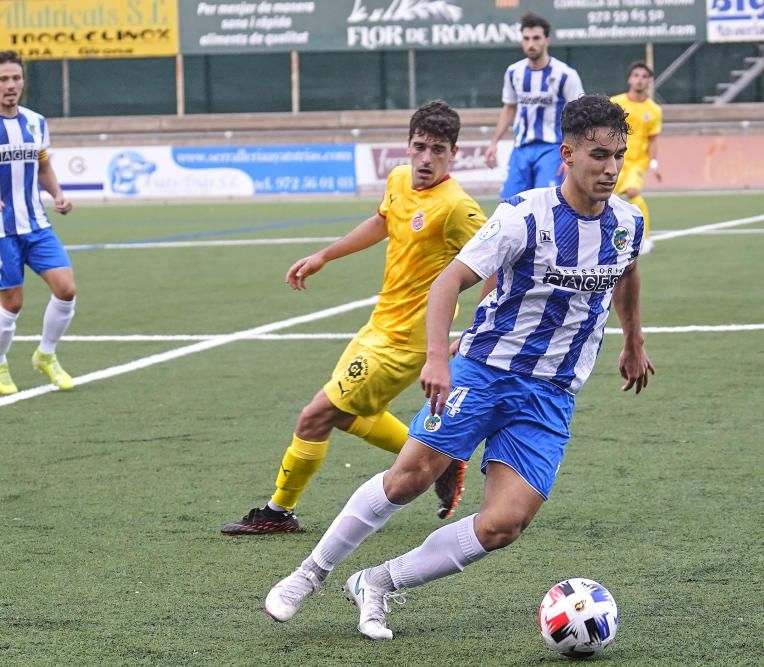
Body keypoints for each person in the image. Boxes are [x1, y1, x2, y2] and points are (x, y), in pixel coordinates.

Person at [263, 94, 655, 641]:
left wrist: (633, 341)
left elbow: (627, 273)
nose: (610, 168)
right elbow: (449, 282)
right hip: (484, 370)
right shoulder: (524, 215)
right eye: (597, 155)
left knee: (504, 525)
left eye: (618, 155)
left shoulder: (628, 222)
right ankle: (309, 573)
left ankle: (377, 582)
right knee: (409, 479)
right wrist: (439, 359)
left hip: (552, 393)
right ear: (567, 154)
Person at [222, 100, 490, 534]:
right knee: (345, 415)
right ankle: (440, 459)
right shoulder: (400, 179)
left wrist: (479, 327)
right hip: (378, 326)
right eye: (420, 146)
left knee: (315, 415)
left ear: (454, 153)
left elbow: (500, 262)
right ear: (407, 145)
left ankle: (277, 513)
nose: (426, 158)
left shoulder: (457, 207)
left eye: (437, 150)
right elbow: (382, 221)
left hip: (407, 341)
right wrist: (325, 255)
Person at [0, 50, 75, 396]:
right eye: (3, 79)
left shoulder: (35, 122)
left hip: (36, 223)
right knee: (12, 304)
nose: (10, 85)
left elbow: (42, 165)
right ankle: (0, 363)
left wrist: (58, 193)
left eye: (16, 78)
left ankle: (46, 354)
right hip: (2, 230)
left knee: (66, 288)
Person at [484, 11, 584, 200]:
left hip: (552, 149)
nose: (531, 43)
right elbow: (509, 108)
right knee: (509, 205)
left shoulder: (566, 75)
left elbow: (580, 115)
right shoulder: (513, 72)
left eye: (536, 38)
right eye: (526, 38)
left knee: (547, 203)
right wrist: (494, 142)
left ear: (547, 40)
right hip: (520, 149)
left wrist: (574, 152)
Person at [610, 61, 662, 256]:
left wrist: (654, 162)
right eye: (636, 75)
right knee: (605, 198)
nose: (640, 80)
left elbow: (653, 138)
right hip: (614, 159)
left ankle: (645, 238)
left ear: (649, 82)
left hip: (637, 163)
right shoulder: (616, 102)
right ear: (630, 79)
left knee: (632, 191)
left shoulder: (654, 110)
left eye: (644, 77)